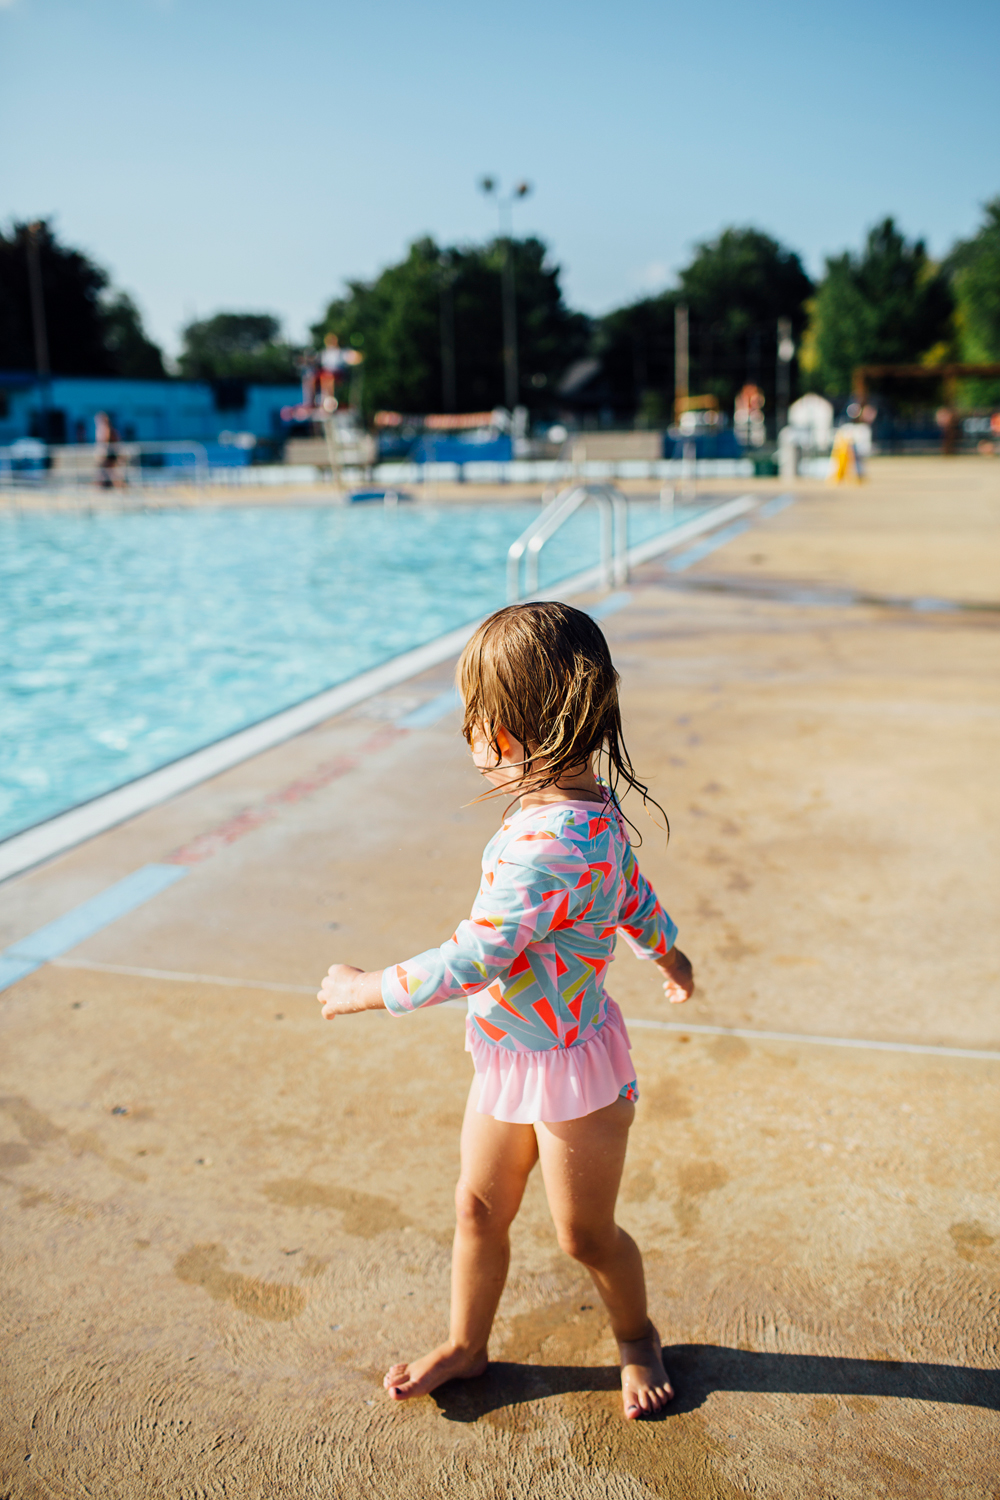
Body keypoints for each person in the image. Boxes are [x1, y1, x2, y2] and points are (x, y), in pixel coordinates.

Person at [318, 602, 695, 1419]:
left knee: (583, 1235)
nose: (469, 740)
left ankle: (636, 1336)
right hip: (509, 1055)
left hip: (574, 1073)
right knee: (478, 1206)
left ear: (510, 737)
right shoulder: (584, 812)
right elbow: (633, 896)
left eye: (473, 723)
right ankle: (467, 1343)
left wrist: (363, 988)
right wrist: (668, 953)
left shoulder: (547, 844)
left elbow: (473, 957)